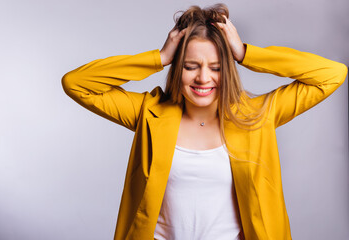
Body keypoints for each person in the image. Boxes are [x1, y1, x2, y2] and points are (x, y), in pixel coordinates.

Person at [62, 3, 347, 240]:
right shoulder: (149, 113)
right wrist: (159, 57)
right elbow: (77, 83)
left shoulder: (259, 116)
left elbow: (331, 74)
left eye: (216, 68)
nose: (203, 78)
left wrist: (244, 52)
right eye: (190, 66)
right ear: (177, 67)